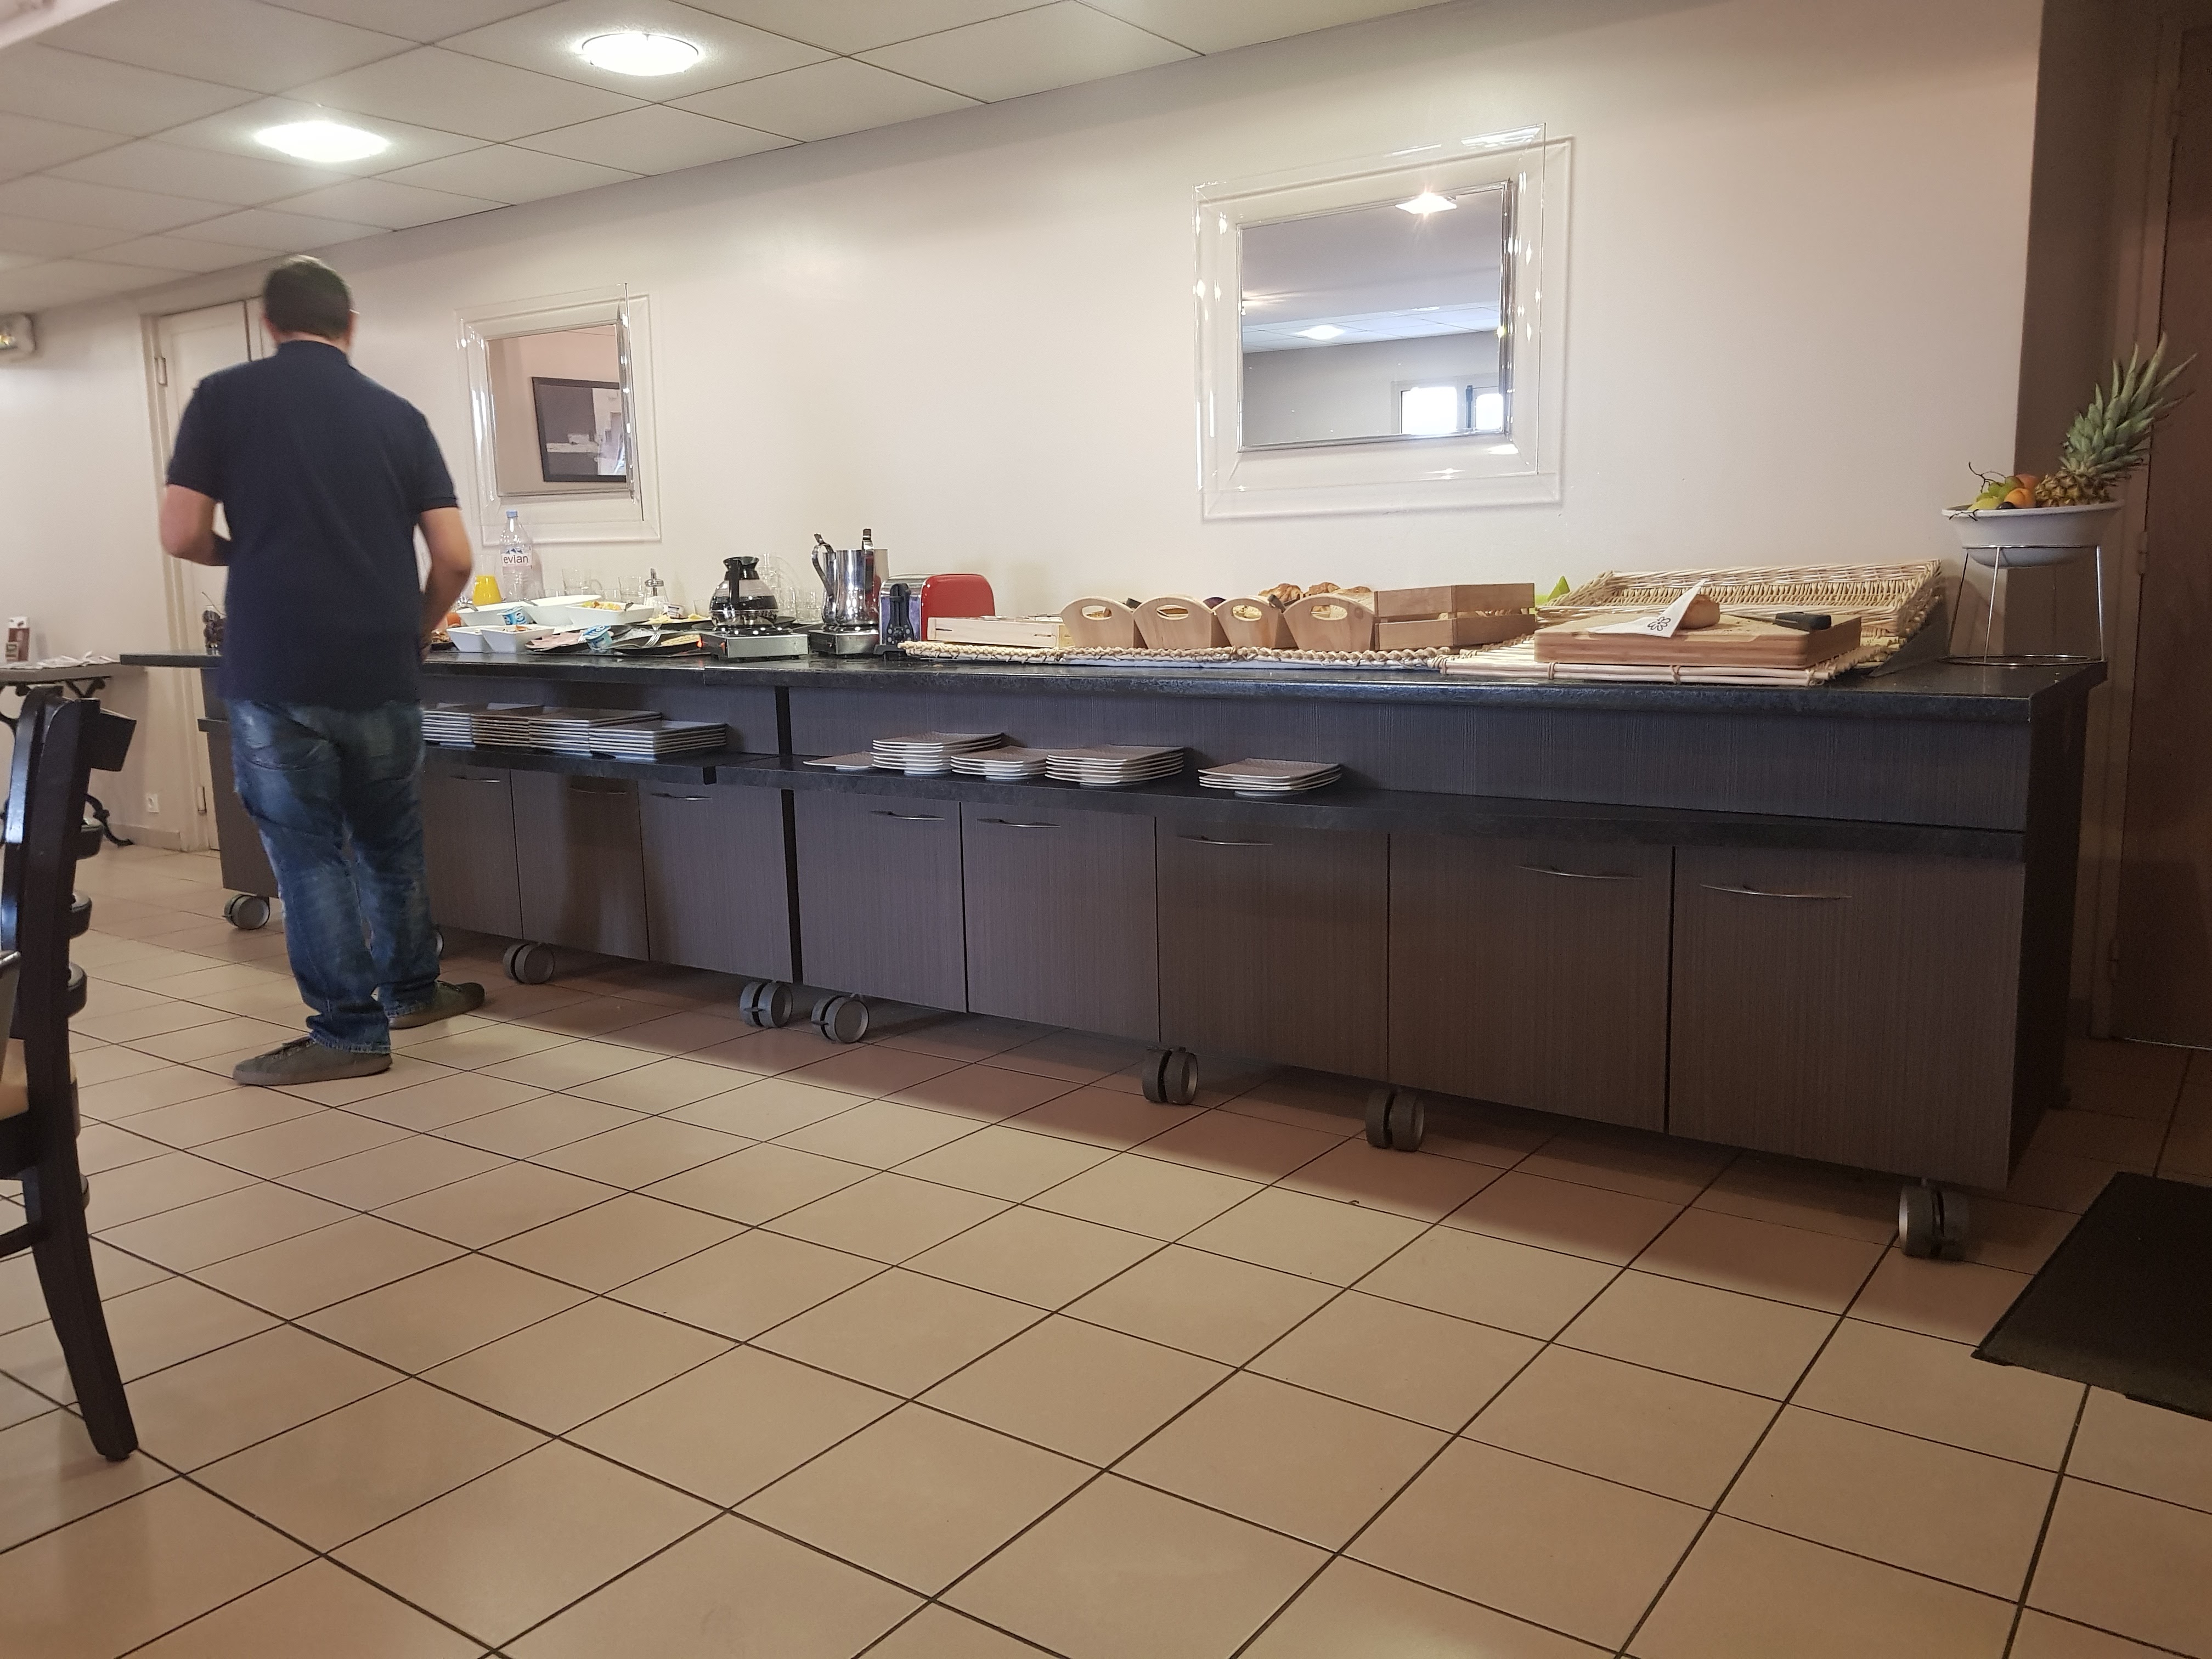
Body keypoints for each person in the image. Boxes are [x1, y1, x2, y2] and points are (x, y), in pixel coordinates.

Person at [160, 255, 483, 1086]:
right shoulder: (398, 417)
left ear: (270, 324)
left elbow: (181, 533)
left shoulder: (223, 399)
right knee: (390, 842)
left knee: (308, 856)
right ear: (351, 325)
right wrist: (413, 630)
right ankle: (414, 991)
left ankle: (348, 1032)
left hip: (277, 668)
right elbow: (454, 558)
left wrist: (244, 552)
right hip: (380, 668)